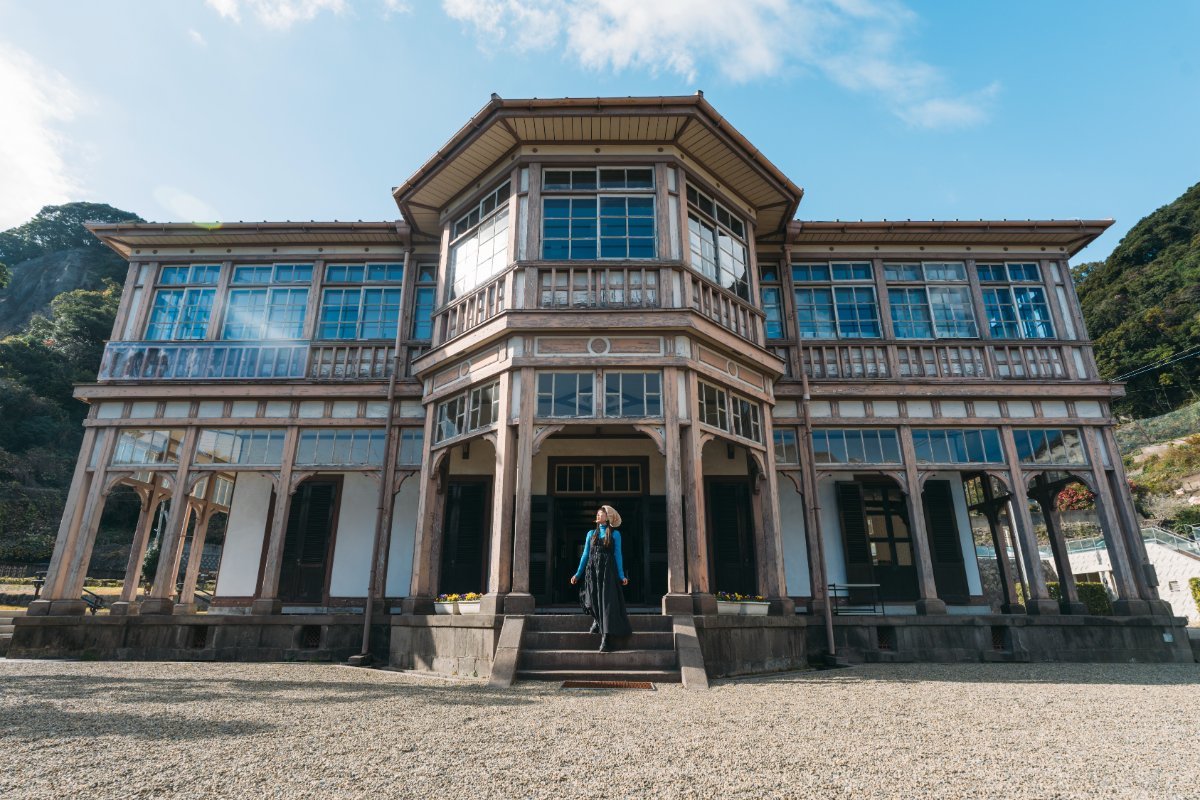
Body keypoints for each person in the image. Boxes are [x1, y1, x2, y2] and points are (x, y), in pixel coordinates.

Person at [570, 505, 632, 652]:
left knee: (606, 604)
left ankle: (606, 639)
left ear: (608, 517)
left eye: (601, 514)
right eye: (597, 514)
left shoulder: (615, 534)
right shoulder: (590, 533)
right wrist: (577, 574)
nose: (597, 516)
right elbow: (585, 555)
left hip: (608, 573)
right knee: (590, 600)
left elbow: (618, 555)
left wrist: (621, 575)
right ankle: (597, 621)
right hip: (592, 571)